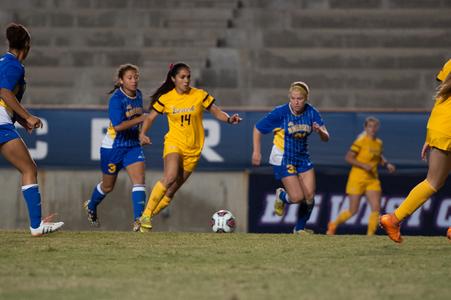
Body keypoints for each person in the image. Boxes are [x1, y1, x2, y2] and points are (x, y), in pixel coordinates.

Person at [137, 62, 241, 232]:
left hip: (193, 150)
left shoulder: (199, 95)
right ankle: (146, 215)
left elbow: (216, 111)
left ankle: (142, 221)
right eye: (182, 77)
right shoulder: (166, 98)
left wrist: (229, 119)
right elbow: (149, 118)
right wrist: (142, 134)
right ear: (173, 79)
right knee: (169, 177)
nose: (186, 80)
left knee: (170, 192)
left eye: (188, 77)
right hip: (174, 143)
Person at [0, 23, 64, 236]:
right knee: (29, 169)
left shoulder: (4, 62)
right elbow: (5, 93)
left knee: (29, 168)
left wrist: (21, 119)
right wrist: (27, 116)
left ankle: (37, 225)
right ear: (26, 45)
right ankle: (36, 226)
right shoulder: (13, 65)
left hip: (5, 120)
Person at [380, 61, 451, 242]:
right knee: (434, 182)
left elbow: (443, 94)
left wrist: (430, 136)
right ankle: (393, 219)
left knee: (433, 182)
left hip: (440, 123)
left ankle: (393, 219)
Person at [252, 81, 330, 234]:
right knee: (297, 198)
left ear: (306, 98)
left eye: (299, 98)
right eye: (293, 98)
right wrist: (256, 151)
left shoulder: (312, 112)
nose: (296, 102)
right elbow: (257, 128)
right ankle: (282, 195)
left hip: (302, 156)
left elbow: (326, 137)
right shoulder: (280, 112)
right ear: (289, 97)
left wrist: (320, 131)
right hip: (283, 156)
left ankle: (299, 229)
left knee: (310, 196)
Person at [84, 64, 148, 231]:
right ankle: (91, 205)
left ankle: (139, 222)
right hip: (113, 147)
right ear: (121, 81)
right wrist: (142, 119)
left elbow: (137, 120)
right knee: (108, 187)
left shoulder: (139, 95)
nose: (134, 81)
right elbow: (119, 126)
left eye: (136, 77)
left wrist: (141, 135)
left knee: (140, 181)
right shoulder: (116, 99)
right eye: (130, 78)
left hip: (133, 146)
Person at [326, 117, 396, 236]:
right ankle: (333, 224)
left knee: (376, 208)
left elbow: (379, 156)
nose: (372, 129)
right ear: (365, 128)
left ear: (377, 128)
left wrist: (387, 164)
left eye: (374, 126)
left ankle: (370, 236)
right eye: (370, 126)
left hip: (372, 179)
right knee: (353, 210)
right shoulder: (360, 141)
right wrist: (363, 165)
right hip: (357, 178)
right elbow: (348, 157)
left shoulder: (378, 143)